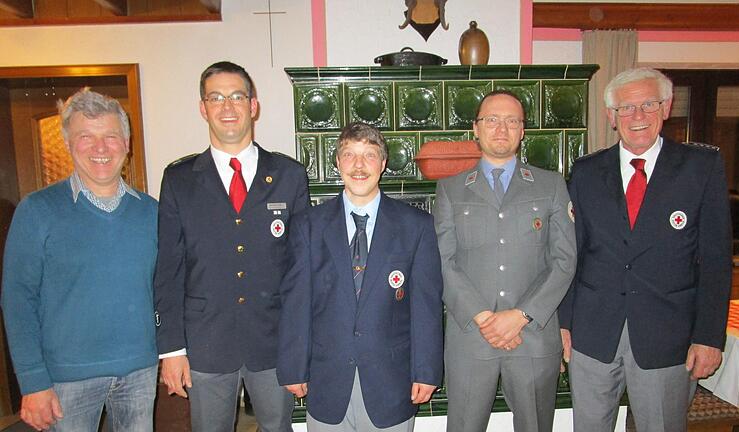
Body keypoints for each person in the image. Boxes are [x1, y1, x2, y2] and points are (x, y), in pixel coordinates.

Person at [559, 67, 732, 432]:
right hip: (593, 334)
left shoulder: (700, 167)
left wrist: (708, 336)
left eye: (648, 104)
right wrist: (563, 323)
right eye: (626, 108)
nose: (638, 116)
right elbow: (573, 253)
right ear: (611, 116)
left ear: (666, 108)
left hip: (668, 337)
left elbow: (716, 261)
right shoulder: (587, 172)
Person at [154, 61, 309, 432]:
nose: (228, 107)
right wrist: (172, 350)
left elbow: (301, 269)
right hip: (206, 343)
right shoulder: (179, 179)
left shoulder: (289, 175)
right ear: (202, 107)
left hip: (272, 343)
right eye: (216, 97)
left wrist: (300, 347)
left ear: (253, 106)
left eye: (237, 96)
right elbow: (168, 270)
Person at [1, 88, 158, 431]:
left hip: (139, 373)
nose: (100, 148)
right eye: (86, 137)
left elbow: (166, 289)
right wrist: (32, 381)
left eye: (110, 136)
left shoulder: (151, 212)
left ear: (127, 145)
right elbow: (17, 300)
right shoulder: (38, 211)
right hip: (66, 381)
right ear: (69, 144)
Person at [277, 122, 444, 432]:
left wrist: (426, 370)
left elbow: (426, 306)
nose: (358, 165)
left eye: (369, 155)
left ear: (383, 163)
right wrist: (292, 367)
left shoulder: (416, 226)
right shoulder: (307, 225)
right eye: (349, 155)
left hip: (392, 381)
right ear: (337, 162)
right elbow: (296, 301)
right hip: (327, 380)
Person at [433, 90, 577, 432]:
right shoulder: (451, 189)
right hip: (471, 336)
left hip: (534, 335)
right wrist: (486, 319)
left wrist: (520, 316)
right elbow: (442, 261)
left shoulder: (551, 185)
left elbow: (564, 260)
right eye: (492, 120)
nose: (502, 128)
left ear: (523, 130)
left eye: (512, 121)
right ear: (476, 128)